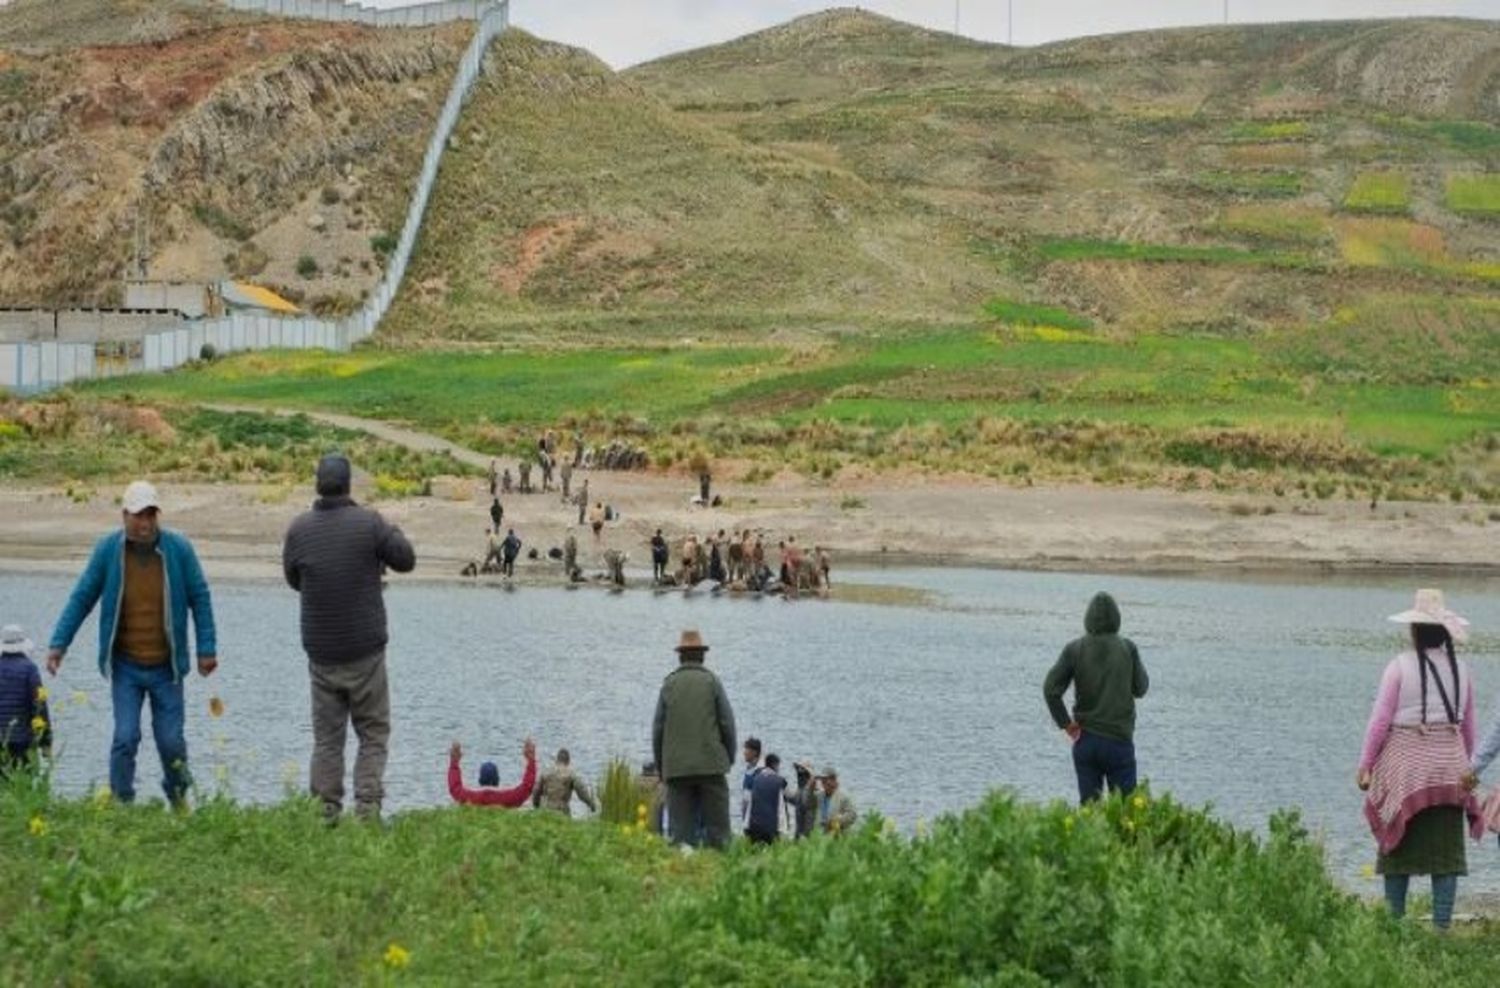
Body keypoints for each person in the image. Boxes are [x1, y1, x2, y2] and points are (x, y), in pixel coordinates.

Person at [47, 480, 217, 806]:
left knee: (171, 742)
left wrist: (206, 649)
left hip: (167, 667)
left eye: (151, 515)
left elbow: (200, 597)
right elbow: (82, 597)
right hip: (125, 665)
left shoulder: (178, 549)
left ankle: (178, 798)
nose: (145, 523)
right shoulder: (108, 551)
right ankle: (122, 804)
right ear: (125, 516)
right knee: (125, 737)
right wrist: (59, 644)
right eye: (139, 515)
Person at [283, 454, 415, 822]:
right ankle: (368, 807)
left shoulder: (299, 530)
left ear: (318, 485)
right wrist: (392, 531)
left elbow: (295, 580)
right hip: (365, 650)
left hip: (322, 651)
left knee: (327, 737)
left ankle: (326, 809)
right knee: (373, 731)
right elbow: (406, 560)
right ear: (348, 485)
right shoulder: (369, 524)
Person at [1358, 589, 1481, 929]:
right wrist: (1468, 768)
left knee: (1395, 850)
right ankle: (1441, 929)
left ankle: (1393, 925)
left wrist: (1365, 764)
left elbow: (1380, 721)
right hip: (1449, 770)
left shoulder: (1399, 666)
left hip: (1407, 770)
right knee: (1446, 857)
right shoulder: (1463, 670)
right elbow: (1469, 726)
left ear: (1414, 629)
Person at [1043, 591, 1149, 804]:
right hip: (1119, 742)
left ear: (1088, 619)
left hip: (1086, 741)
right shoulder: (1128, 648)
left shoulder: (1075, 649)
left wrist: (1066, 723)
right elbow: (1141, 689)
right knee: (1127, 811)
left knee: (1090, 813)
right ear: (1116, 619)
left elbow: (1050, 689)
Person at [652, 630, 736, 849]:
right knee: (720, 835)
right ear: (702, 656)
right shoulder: (712, 682)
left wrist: (663, 769)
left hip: (677, 770)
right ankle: (722, 875)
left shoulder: (669, 684)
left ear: (680, 656)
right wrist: (729, 758)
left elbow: (658, 730)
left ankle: (683, 875)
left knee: (681, 837)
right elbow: (727, 723)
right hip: (711, 767)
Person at [0, 625, 50, 774]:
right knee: (25, 785)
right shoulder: (30, 668)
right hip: (24, 741)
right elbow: (40, 706)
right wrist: (45, 742)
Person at [449, 738, 536, 807]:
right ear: (498, 780)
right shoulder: (508, 798)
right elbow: (527, 787)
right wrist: (531, 760)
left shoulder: (469, 797)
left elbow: (455, 787)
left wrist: (454, 762)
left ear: (480, 780)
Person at [532, 748, 598, 816]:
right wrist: (591, 804)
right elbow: (581, 792)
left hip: (545, 809)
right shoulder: (571, 774)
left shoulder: (546, 772)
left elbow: (536, 791)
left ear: (557, 760)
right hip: (562, 811)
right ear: (568, 761)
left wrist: (536, 805)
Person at [746, 753, 788, 844]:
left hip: (754, 828)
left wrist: (746, 827)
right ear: (775, 765)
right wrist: (783, 832)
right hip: (769, 831)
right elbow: (781, 810)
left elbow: (750, 805)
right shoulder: (778, 782)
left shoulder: (756, 780)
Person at [815, 767, 857, 834]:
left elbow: (852, 815)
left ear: (833, 780)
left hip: (837, 834)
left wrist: (837, 820)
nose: (823, 783)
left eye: (825, 780)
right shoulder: (818, 796)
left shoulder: (843, 797)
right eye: (822, 780)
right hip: (820, 834)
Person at [787, 761, 818, 838]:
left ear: (808, 776)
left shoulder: (814, 792)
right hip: (798, 833)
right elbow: (792, 798)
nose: (800, 776)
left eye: (803, 774)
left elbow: (805, 802)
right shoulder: (800, 790)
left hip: (809, 833)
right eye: (799, 774)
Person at [739, 736, 763, 827]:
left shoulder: (759, 771)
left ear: (754, 752)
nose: (744, 753)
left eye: (747, 749)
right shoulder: (749, 768)